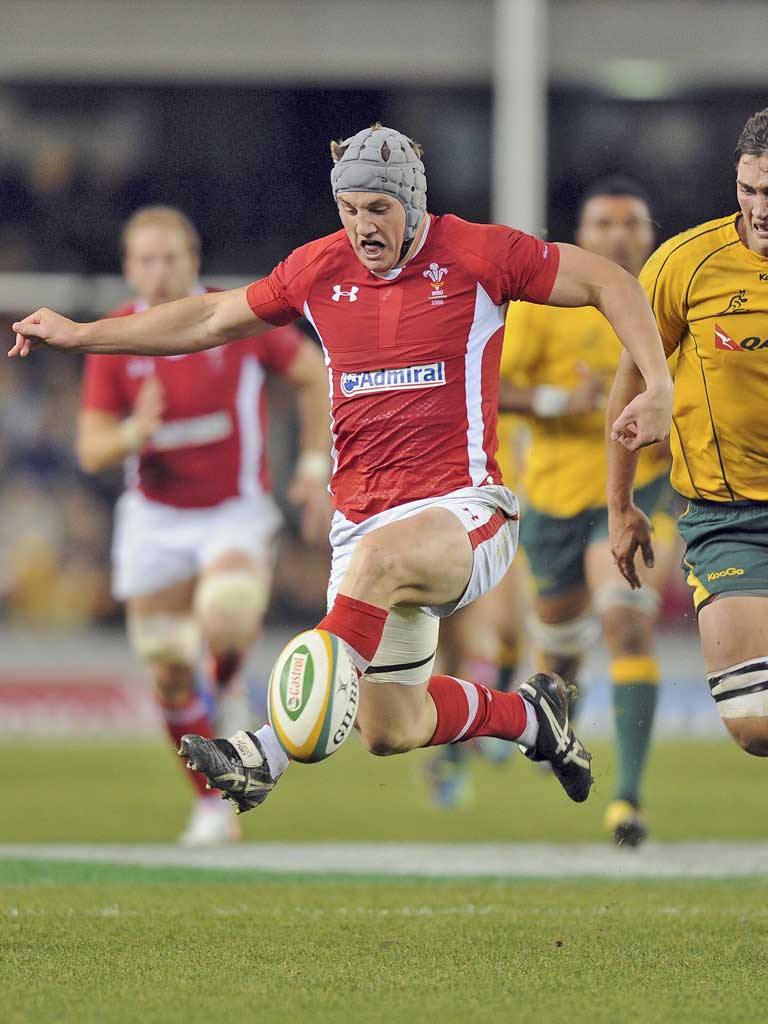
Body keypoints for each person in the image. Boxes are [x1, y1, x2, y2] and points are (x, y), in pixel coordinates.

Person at [10, 124, 673, 818]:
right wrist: (86, 337)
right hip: (364, 528)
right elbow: (208, 316)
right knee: (392, 729)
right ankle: (533, 717)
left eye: (378, 209)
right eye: (349, 210)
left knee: (384, 563)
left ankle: (260, 753)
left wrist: (655, 383)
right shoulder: (317, 268)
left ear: (414, 203)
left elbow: (608, 280)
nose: (362, 227)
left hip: (467, 510)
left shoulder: (480, 253)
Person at [75, 206, 331, 845]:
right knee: (165, 664)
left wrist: (312, 461)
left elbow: (312, 372)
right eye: (146, 260)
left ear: (194, 261)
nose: (159, 272)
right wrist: (135, 432)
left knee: (226, 613)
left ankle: (225, 681)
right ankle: (212, 803)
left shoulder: (233, 316)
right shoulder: (113, 338)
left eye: (171, 258)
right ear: (129, 268)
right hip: (155, 518)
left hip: (232, 512)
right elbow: (90, 449)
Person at [497, 179, 677, 846]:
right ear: (583, 233)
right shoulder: (545, 303)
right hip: (552, 495)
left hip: (637, 491)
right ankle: (556, 720)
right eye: (604, 223)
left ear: (650, 233)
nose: (620, 235)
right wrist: (557, 402)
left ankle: (627, 800)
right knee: (562, 657)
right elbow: (493, 389)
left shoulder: (668, 299)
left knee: (626, 623)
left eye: (633, 223)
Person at [607, 107, 768, 763]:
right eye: (749, 190)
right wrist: (620, 507)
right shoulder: (685, 264)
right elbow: (627, 388)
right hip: (727, 519)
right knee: (755, 724)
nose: (761, 209)